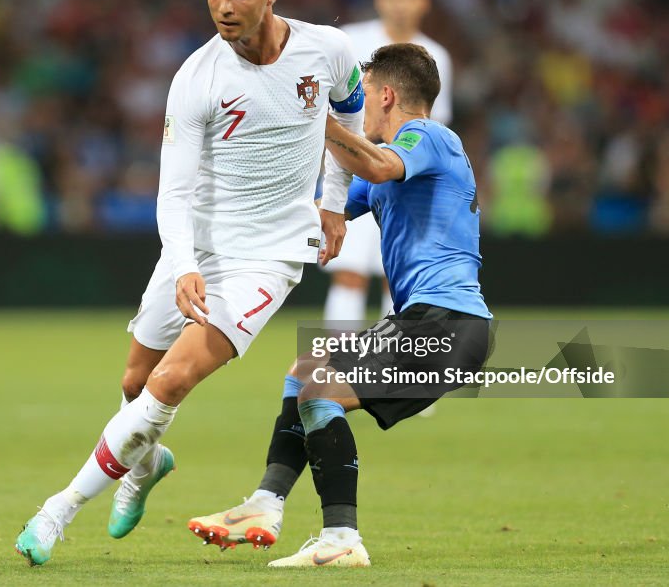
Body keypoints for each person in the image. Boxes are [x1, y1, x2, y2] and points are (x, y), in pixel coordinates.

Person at [15, 0, 366, 566]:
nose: (224, 7)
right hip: (197, 246)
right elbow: (172, 192)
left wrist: (335, 202)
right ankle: (147, 465)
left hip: (271, 255)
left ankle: (57, 510)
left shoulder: (328, 49)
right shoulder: (197, 77)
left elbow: (351, 113)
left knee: (170, 380)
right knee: (134, 382)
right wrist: (183, 267)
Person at [188, 43, 491, 568]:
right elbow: (316, 215)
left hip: (446, 321)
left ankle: (341, 538)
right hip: (435, 323)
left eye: (364, 95)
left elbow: (375, 166)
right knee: (304, 374)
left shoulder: (426, 136)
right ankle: (266, 503)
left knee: (319, 391)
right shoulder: (390, 169)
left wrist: (320, 118)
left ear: (389, 94)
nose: (360, 106)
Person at [323, 0, 453, 324]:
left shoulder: (436, 56)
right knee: (347, 271)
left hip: (404, 176)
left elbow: (433, 125)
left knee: (396, 275)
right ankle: (341, 364)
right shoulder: (349, 39)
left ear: (423, 2)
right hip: (351, 169)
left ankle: (388, 364)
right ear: (379, 1)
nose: (399, 5)